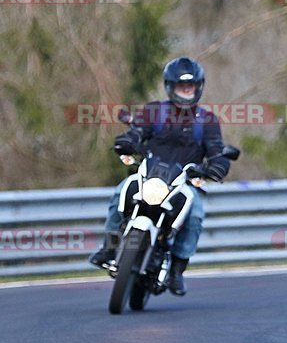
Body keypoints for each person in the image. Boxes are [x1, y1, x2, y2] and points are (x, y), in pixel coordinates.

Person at [88, 57, 231, 296]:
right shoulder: (154, 111)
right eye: (181, 87)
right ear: (170, 86)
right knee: (119, 194)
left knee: (195, 214)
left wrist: (218, 165)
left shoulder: (207, 120)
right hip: (150, 176)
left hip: (183, 183)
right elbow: (137, 132)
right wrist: (127, 142)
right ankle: (109, 248)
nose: (186, 91)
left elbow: (217, 150)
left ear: (198, 87)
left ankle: (177, 269)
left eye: (191, 87)